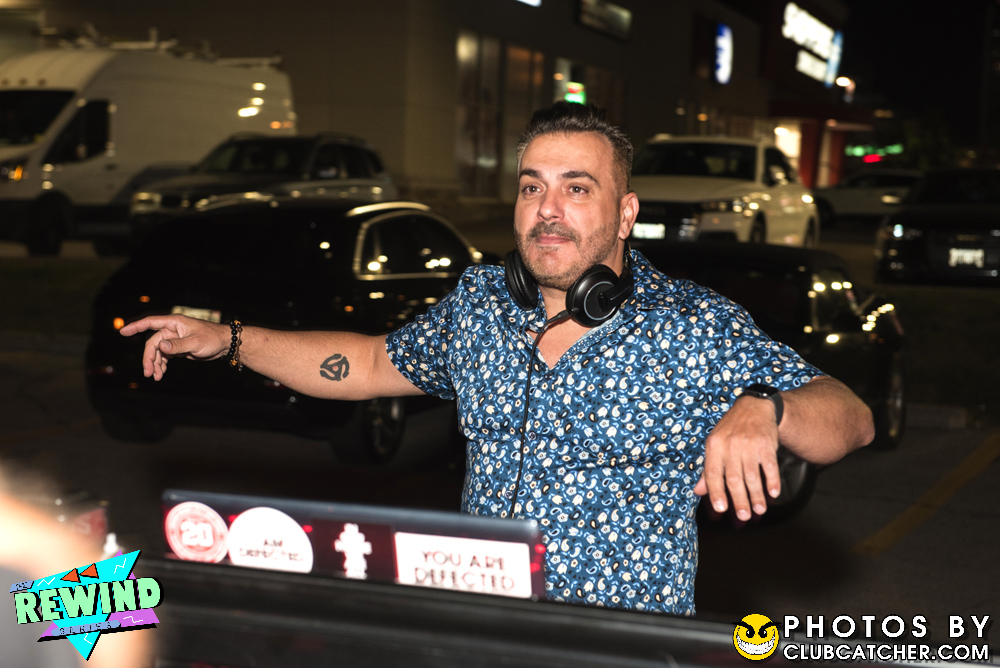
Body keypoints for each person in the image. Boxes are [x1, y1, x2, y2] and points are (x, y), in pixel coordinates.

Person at [121, 102, 873, 615]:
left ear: (626, 213)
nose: (548, 209)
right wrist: (230, 339)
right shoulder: (481, 303)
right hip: (481, 635)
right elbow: (369, 363)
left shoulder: (691, 325)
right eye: (532, 187)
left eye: (577, 189)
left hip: (619, 649)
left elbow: (852, 418)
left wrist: (767, 408)